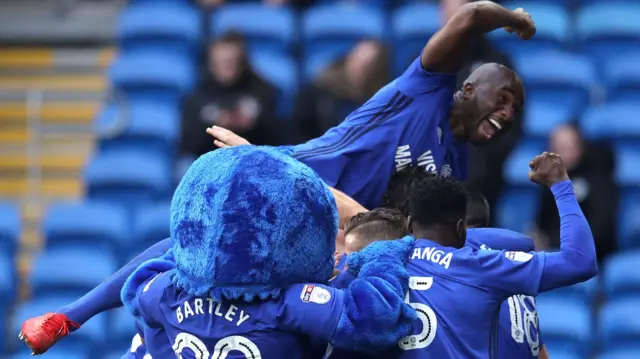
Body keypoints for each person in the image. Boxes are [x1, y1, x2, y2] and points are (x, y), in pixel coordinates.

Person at [212, 1, 535, 210]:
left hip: (329, 222)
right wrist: (515, 19)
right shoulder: (427, 88)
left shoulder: (457, 168)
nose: (507, 115)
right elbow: (471, 16)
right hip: (291, 179)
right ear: (468, 89)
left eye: (514, 112)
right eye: (502, 100)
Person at [121, 146, 415, 358]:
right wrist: (382, 254)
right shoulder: (289, 303)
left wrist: (190, 257)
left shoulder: (164, 293)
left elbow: (135, 291)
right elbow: (373, 319)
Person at [344, 151, 596, 358]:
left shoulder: (377, 265)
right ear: (460, 227)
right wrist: (561, 185)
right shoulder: (485, 266)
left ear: (409, 223)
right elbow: (576, 260)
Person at [178, 31, 282, 162]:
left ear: (242, 60)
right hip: (209, 161)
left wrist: (249, 124)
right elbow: (187, 145)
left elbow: (275, 139)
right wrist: (214, 126)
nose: (226, 67)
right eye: (221, 62)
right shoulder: (197, 96)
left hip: (252, 161)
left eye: (232, 62)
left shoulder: (262, 92)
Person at [534, 123, 617, 263]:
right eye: (555, 149)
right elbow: (541, 224)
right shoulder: (547, 181)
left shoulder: (599, 180)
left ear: (579, 148)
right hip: (552, 251)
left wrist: (552, 241)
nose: (559, 156)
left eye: (566, 148)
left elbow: (599, 230)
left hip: (593, 255)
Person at [295, 39, 391, 141]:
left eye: (369, 65)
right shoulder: (317, 91)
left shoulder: (383, 99)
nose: (359, 68)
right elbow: (300, 134)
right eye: (357, 60)